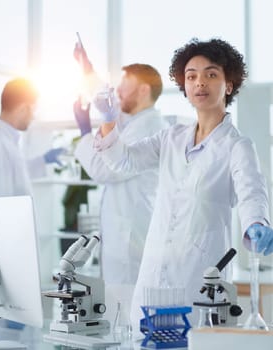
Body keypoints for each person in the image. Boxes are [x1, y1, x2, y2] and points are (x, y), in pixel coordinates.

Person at [90, 37, 273, 331]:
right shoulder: (170, 138)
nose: (200, 82)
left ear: (228, 85)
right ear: (184, 86)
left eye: (211, 74)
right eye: (191, 76)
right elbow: (124, 160)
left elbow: (252, 192)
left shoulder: (237, 146)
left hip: (198, 280)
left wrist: (256, 223)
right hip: (152, 278)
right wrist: (109, 121)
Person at [73, 43, 168, 285]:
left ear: (144, 90)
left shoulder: (150, 128)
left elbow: (104, 170)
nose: (117, 91)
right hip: (121, 231)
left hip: (131, 236)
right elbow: (107, 102)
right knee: (117, 304)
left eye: (125, 86)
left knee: (126, 308)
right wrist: (87, 69)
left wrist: (85, 131)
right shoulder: (134, 121)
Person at [0, 77, 65, 197]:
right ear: (23, 108)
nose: (33, 117)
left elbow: (16, 173)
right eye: (33, 110)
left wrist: (43, 160)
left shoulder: (6, 138)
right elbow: (0, 196)